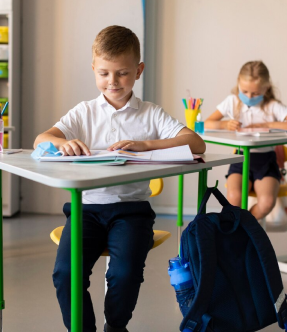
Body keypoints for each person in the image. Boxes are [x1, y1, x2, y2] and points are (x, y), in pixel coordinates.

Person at [34, 25, 206, 332]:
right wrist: (63, 143)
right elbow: (41, 139)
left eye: (122, 73)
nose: (112, 82)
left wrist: (146, 144)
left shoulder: (151, 114)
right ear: (93, 70)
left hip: (131, 211)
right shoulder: (83, 113)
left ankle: (115, 327)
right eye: (104, 73)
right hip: (85, 209)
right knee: (65, 274)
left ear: (138, 71)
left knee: (124, 273)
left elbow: (196, 143)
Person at [205, 61, 287, 219]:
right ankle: (242, 232)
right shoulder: (232, 102)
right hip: (240, 159)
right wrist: (224, 124)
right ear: (238, 83)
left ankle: (245, 228)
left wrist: (268, 124)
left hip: (266, 161)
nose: (249, 97)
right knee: (233, 200)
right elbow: (206, 123)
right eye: (244, 91)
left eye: (254, 94)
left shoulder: (272, 106)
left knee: (266, 202)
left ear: (266, 88)